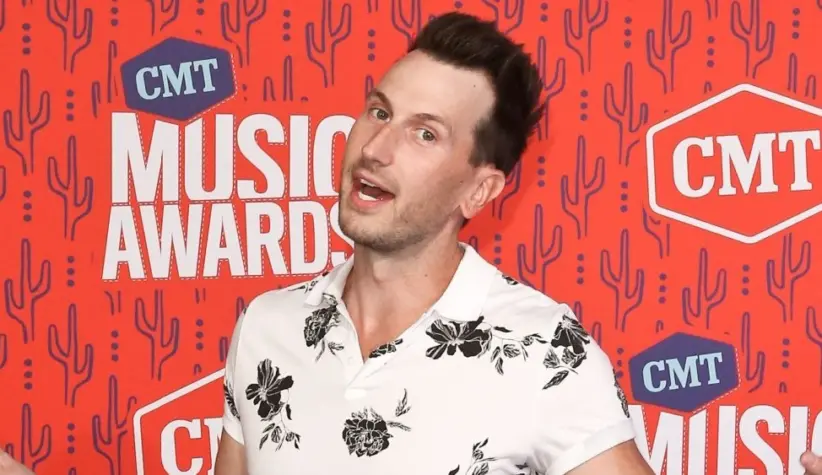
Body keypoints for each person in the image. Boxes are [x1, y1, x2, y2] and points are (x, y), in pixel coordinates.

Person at [210, 11, 653, 475]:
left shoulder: (543, 350)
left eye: (425, 134)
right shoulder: (266, 328)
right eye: (380, 112)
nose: (375, 149)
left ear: (478, 191)